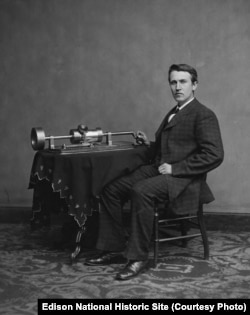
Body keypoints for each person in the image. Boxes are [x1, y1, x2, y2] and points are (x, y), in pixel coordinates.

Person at [85, 63, 224, 280]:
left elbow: (214, 155)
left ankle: (138, 257)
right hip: (160, 169)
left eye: (183, 82)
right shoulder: (175, 112)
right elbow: (170, 147)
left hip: (183, 178)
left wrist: (176, 168)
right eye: (173, 82)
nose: (177, 87)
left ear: (194, 85)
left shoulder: (203, 115)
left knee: (141, 191)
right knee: (111, 189)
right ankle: (113, 248)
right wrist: (149, 144)